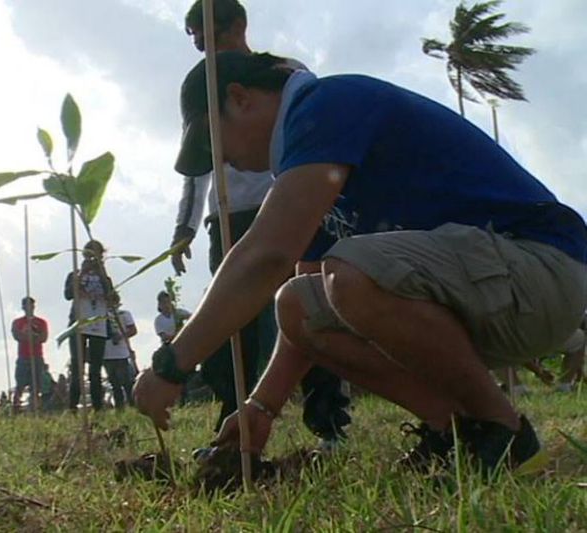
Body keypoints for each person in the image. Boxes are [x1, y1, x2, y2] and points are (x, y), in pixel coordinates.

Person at [135, 51, 587, 476]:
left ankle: (503, 430)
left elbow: (267, 255)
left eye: (214, 143)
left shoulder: (326, 104)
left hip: (540, 268)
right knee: (298, 300)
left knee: (350, 271)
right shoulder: (313, 167)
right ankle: (454, 431)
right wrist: (261, 406)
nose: (222, 161)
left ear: (239, 98)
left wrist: (172, 365)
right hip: (483, 287)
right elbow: (301, 311)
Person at [172, 0, 351, 443]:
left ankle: (327, 421)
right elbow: (197, 170)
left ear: (238, 26)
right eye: (195, 41)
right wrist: (185, 227)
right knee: (230, 322)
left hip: (286, 205)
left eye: (210, 35)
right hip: (227, 218)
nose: (203, 47)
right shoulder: (202, 88)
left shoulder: (283, 75)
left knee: (310, 304)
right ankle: (234, 422)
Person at [65, 241, 111, 411]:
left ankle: (98, 408)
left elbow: (111, 296)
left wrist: (102, 271)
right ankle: (72, 407)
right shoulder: (74, 274)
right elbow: (68, 294)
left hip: (98, 325)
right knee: (77, 367)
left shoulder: (105, 278)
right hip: (79, 324)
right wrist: (82, 272)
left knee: (96, 369)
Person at [11, 296, 48, 409]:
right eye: (26, 305)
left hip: (37, 356)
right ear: (23, 307)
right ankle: (16, 407)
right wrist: (31, 337)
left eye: (31, 305)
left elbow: (43, 338)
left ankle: (35, 408)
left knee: (36, 386)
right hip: (23, 356)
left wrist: (30, 337)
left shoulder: (41, 322)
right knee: (20, 385)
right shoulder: (17, 322)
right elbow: (17, 336)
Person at [103, 300, 138, 409]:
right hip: (107, 353)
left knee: (127, 382)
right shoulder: (101, 317)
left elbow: (133, 330)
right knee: (114, 384)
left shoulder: (124, 314)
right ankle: (120, 407)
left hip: (121, 353)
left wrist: (121, 336)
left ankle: (133, 405)